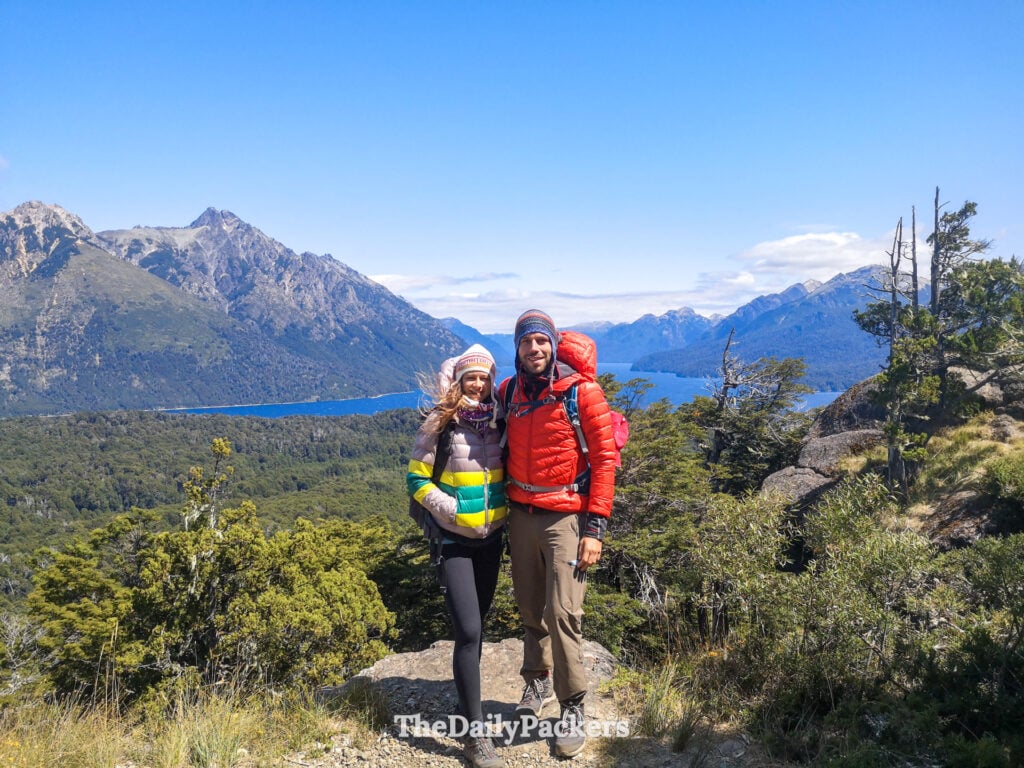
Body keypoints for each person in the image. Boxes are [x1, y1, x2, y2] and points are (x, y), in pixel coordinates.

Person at [499, 310, 616, 759]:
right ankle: (537, 683)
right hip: (521, 514)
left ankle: (572, 706)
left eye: (541, 342)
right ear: (518, 349)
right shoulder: (508, 392)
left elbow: (605, 461)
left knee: (563, 610)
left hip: (566, 517)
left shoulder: (581, 392)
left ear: (553, 346)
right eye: (527, 343)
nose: (534, 350)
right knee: (530, 605)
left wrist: (595, 528)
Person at [406, 344, 508, 768]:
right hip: (454, 540)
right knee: (467, 630)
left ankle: (469, 705)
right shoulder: (440, 421)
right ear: (459, 380)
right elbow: (415, 478)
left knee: (477, 629)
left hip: (492, 538)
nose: (479, 384)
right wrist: (448, 509)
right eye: (471, 377)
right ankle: (474, 736)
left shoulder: (502, 421)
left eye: (484, 377)